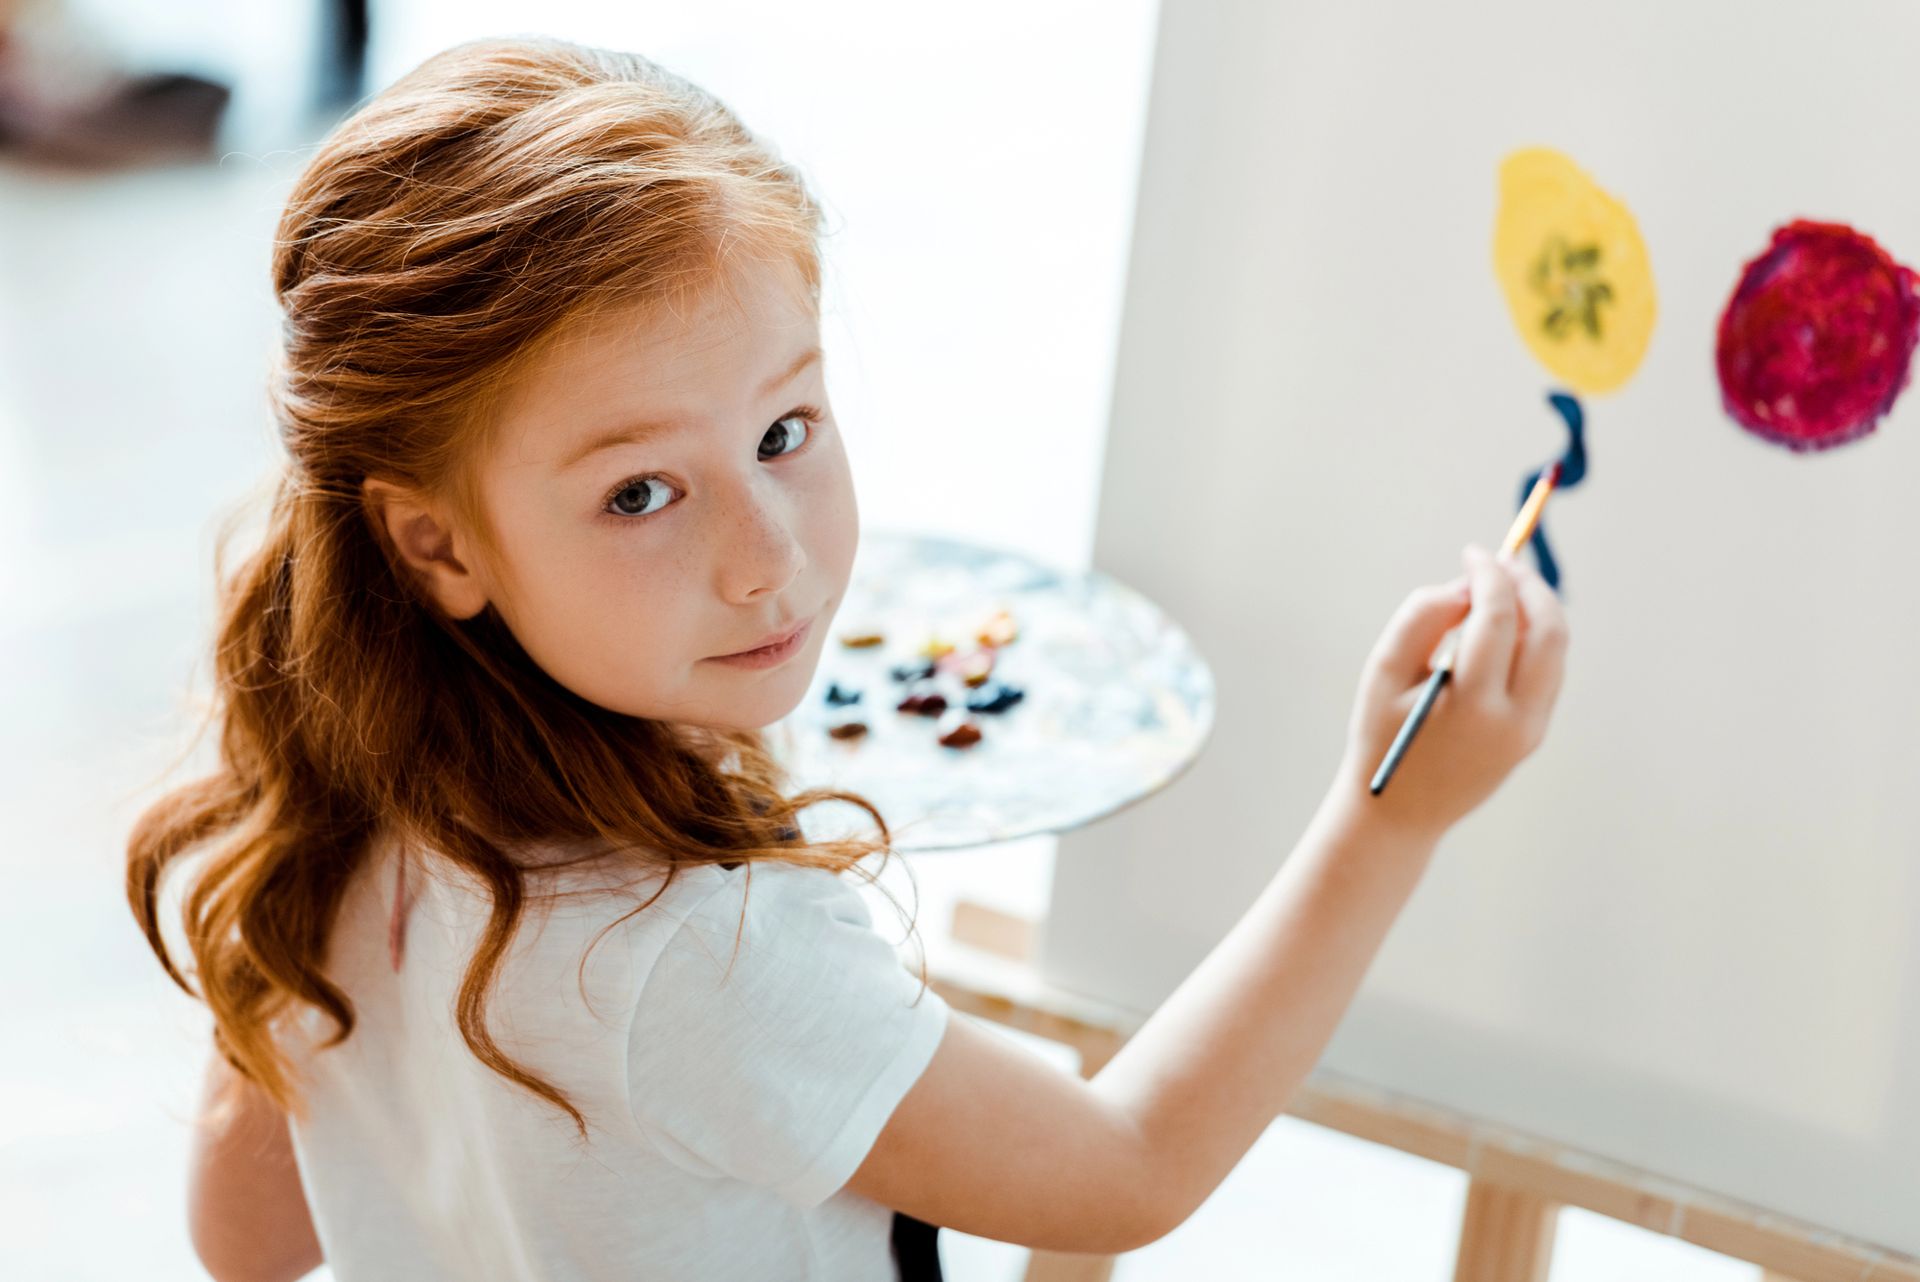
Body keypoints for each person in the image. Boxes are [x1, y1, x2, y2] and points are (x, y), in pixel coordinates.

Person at [124, 34, 1569, 1282]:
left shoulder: (354, 803)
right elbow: (1124, 1168)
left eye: (782, 433)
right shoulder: (695, 949)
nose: (768, 556)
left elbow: (246, 1238)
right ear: (435, 543)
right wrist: (1390, 816)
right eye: (641, 492)